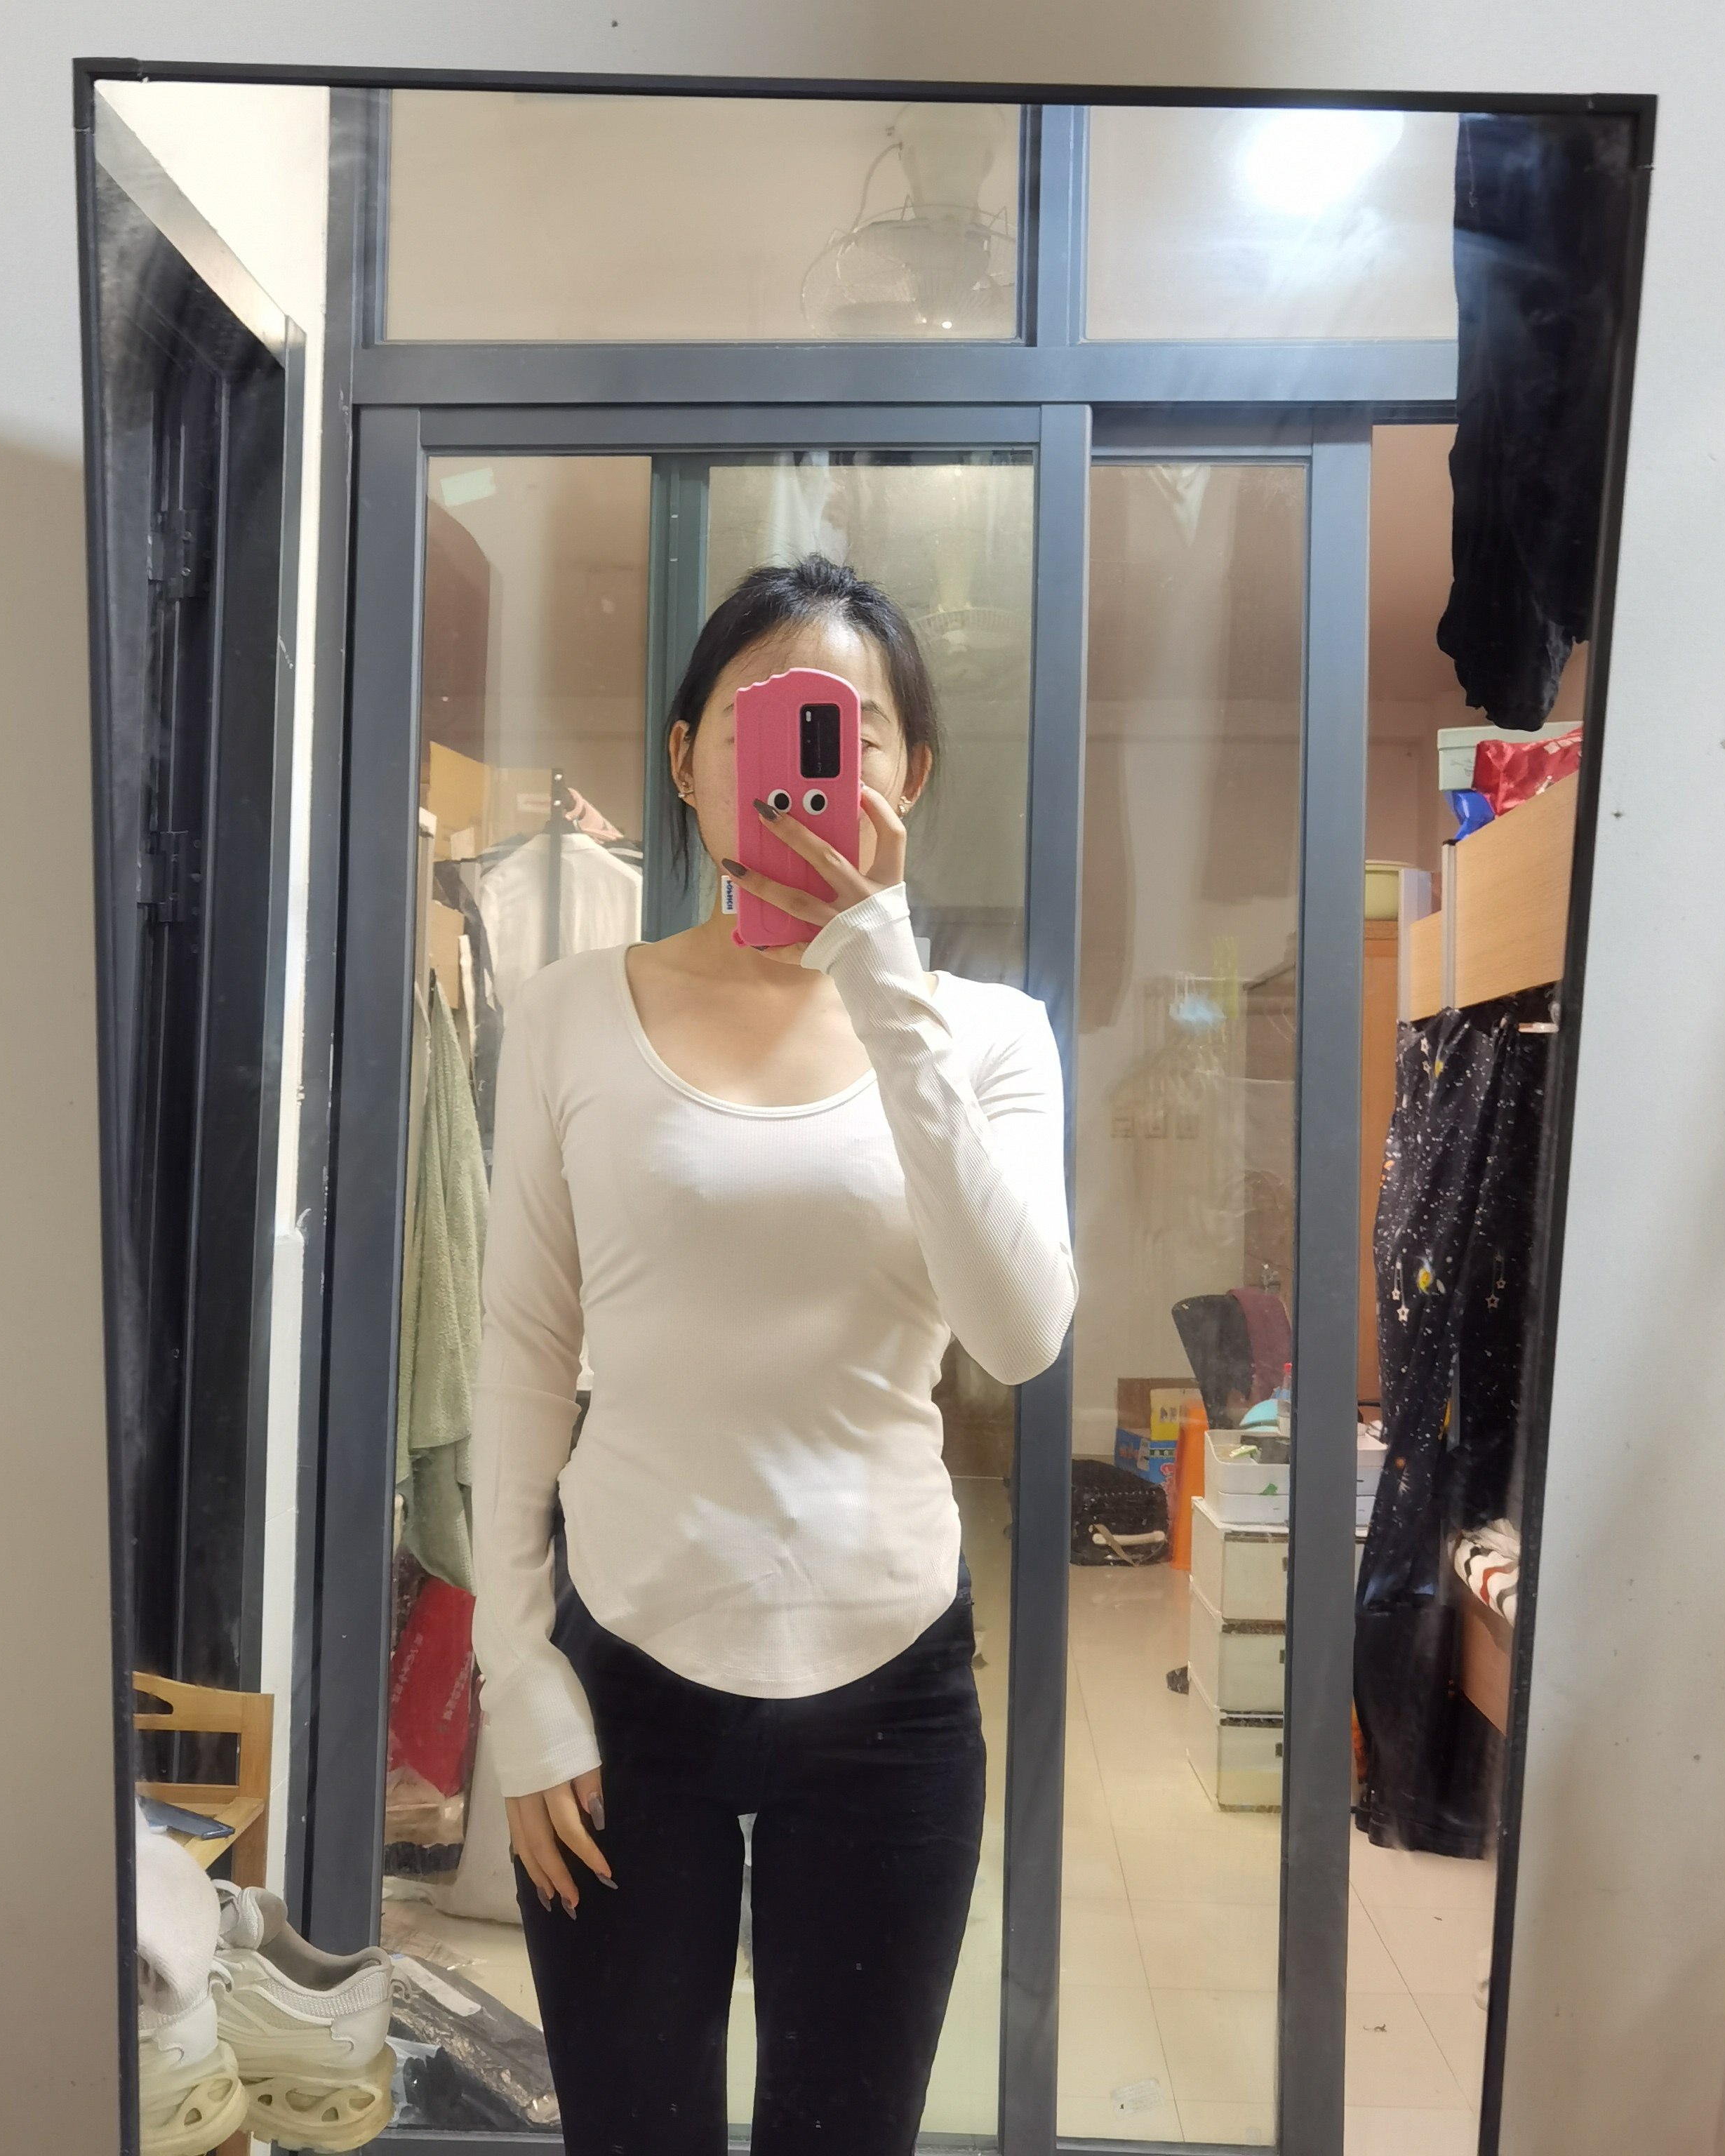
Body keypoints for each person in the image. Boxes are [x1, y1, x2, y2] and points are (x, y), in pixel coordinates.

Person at [469, 555, 1077, 2155]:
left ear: (910, 774)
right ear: (688, 759)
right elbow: (522, 1345)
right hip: (623, 1667)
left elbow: (1019, 1334)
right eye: (766, 718)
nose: (814, 759)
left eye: (853, 730)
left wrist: (879, 967)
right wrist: (516, 1670)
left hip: (890, 1682)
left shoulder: (987, 1034)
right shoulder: (567, 1012)